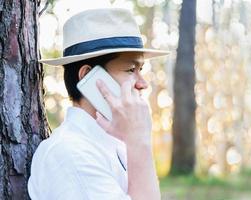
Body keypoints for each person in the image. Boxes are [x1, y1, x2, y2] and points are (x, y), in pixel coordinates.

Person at [28, 8, 169, 200]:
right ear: (89, 77)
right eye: (130, 69)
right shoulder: (70, 154)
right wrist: (139, 142)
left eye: (140, 69)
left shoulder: (113, 143)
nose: (142, 83)